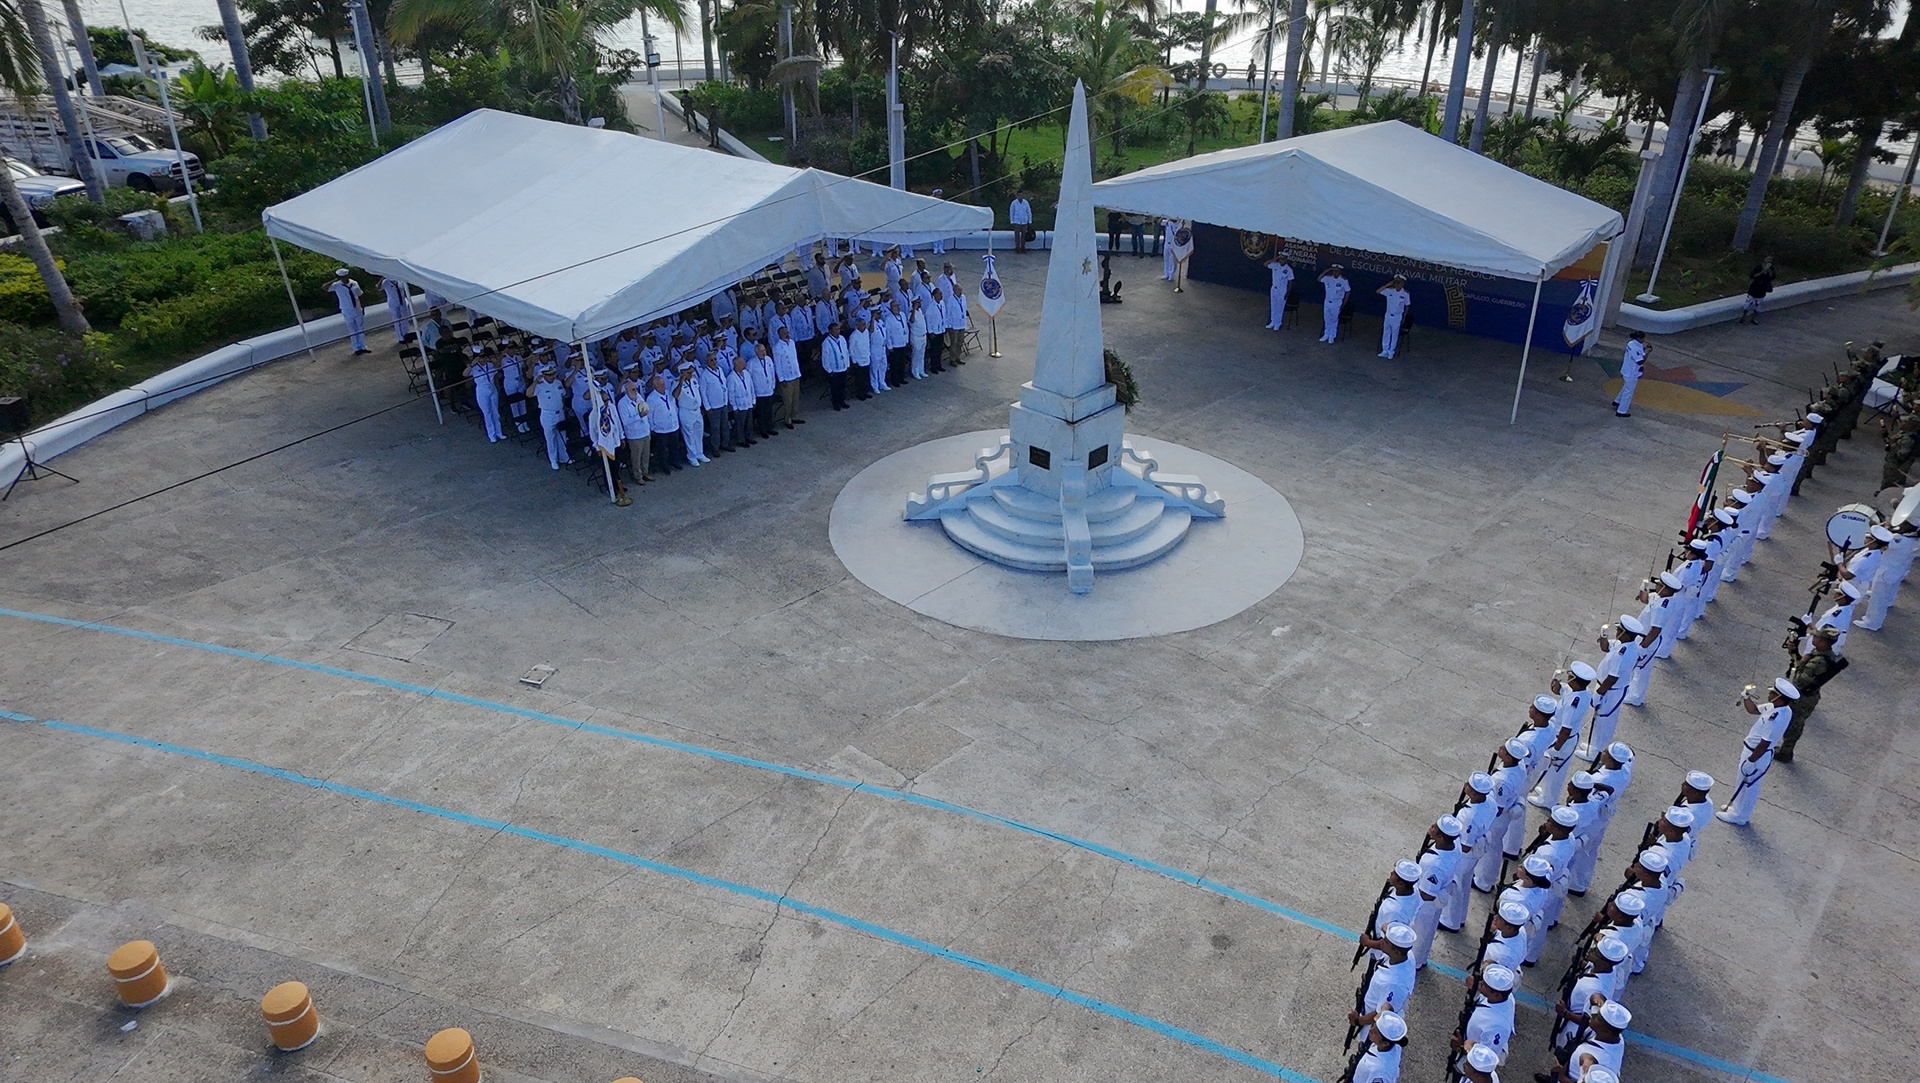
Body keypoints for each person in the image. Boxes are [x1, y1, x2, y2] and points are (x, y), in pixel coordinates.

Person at [1716, 679, 1797, 825]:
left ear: (1779, 697)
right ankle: (1736, 808)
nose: (1769, 693)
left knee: (1749, 786)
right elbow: (1753, 710)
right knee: (1742, 781)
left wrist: (1751, 761)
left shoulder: (1776, 718)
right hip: (1753, 751)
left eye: (1772, 692)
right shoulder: (1778, 707)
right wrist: (1747, 697)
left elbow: (1764, 744)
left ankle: (1740, 817)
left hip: (1757, 754)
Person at [1856, 519, 1916, 629]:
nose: (1901, 524)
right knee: (1891, 588)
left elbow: (1883, 541)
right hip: (1898, 569)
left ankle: (1872, 622)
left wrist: (1877, 527)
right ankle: (1889, 601)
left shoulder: (1901, 540)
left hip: (1887, 571)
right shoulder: (1914, 540)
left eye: (1904, 523)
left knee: (1877, 599)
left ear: (1909, 527)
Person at [1343, 1009, 1407, 1083]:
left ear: (1385, 1043)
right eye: (1374, 1025)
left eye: (1375, 1032)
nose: (1370, 1030)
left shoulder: (1380, 1073)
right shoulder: (1393, 1045)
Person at [531, 363, 571, 469]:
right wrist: (535, 382)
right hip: (548, 414)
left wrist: (562, 407)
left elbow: (562, 395)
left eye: (553, 374)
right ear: (544, 375)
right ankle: (553, 460)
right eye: (549, 375)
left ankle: (564, 457)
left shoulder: (558, 382)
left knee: (562, 435)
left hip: (560, 412)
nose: (552, 376)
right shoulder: (539, 385)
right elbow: (529, 394)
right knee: (550, 438)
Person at [465, 346, 504, 443]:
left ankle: (499, 432)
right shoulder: (474, 368)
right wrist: (471, 364)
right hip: (482, 390)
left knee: (495, 411)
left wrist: (498, 387)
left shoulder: (490, 365)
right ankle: (491, 434)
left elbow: (495, 375)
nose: (483, 359)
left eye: (484, 357)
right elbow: (465, 374)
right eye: (480, 357)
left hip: (492, 388)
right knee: (487, 413)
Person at [644, 372, 680, 474]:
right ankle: (665, 466)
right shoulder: (651, 398)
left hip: (673, 425)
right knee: (663, 450)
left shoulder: (669, 393)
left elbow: (674, 406)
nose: (664, 386)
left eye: (664, 384)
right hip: (661, 428)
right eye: (661, 385)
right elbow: (650, 415)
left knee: (674, 446)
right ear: (655, 386)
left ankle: (674, 462)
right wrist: (652, 428)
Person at [327, 269, 369, 355]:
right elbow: (324, 288)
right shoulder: (337, 285)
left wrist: (362, 307)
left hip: (357, 308)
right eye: (342, 277)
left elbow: (360, 295)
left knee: (360, 328)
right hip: (346, 310)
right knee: (352, 329)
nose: (344, 278)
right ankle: (356, 348)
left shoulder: (354, 283)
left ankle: (363, 346)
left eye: (345, 276)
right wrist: (334, 280)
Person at [617, 378, 651, 483]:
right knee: (636, 457)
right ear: (626, 391)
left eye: (636, 389)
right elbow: (626, 421)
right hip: (634, 435)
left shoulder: (639, 397)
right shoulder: (622, 404)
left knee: (646, 455)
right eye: (632, 389)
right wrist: (639, 416)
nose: (635, 391)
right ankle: (638, 476)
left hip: (645, 431)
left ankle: (645, 473)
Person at [674, 365, 708, 466]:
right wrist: (681, 381)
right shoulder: (675, 383)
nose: (691, 374)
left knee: (699, 432)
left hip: (696, 410)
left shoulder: (693, 380)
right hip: (686, 411)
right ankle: (692, 456)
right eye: (688, 373)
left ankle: (699, 453)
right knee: (689, 434)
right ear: (682, 373)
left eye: (691, 372)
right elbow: (675, 395)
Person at [772, 325, 805, 429]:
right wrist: (781, 379)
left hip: (795, 375)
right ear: (780, 334)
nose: (787, 334)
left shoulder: (792, 343)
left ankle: (794, 415)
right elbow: (777, 364)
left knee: (796, 397)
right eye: (785, 332)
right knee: (788, 400)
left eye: (788, 332)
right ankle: (787, 419)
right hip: (786, 378)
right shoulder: (777, 347)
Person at [749, 340, 779, 439]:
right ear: (756, 352)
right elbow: (749, 379)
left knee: (769, 410)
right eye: (761, 351)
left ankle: (770, 427)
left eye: (764, 350)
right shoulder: (751, 363)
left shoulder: (769, 360)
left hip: (769, 390)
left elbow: (772, 373)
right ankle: (762, 430)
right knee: (761, 412)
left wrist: (773, 386)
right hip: (759, 392)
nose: (764, 352)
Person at [1378, 276, 1412, 358]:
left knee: (1394, 334)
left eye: (1399, 283)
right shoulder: (1390, 291)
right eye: (1396, 282)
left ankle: (1391, 351)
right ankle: (1384, 350)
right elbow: (1378, 291)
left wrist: (1403, 318)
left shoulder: (1405, 294)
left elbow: (1407, 306)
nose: (1397, 284)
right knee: (1386, 332)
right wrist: (1387, 285)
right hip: (1388, 315)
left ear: (1402, 283)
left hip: (1397, 316)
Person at [1613, 332, 1646, 417]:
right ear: (1639, 338)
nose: (1644, 340)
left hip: (1626, 370)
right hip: (1632, 373)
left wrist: (1645, 349)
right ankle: (1622, 411)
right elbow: (1640, 361)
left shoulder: (1631, 343)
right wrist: (1648, 352)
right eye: (1643, 338)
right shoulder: (1636, 348)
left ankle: (1617, 401)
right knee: (1629, 392)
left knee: (1626, 387)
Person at [821, 320, 851, 410]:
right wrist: (829, 370)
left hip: (843, 367)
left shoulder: (842, 338)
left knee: (843, 386)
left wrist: (847, 364)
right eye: (835, 330)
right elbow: (825, 358)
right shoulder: (826, 343)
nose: (838, 331)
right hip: (834, 370)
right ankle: (836, 403)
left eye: (838, 329)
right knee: (835, 388)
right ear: (830, 331)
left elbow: (846, 352)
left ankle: (842, 401)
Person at [1319, 265, 1351, 343]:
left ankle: (1332, 336)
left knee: (1334, 319)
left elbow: (1348, 292)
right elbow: (1319, 279)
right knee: (1326, 318)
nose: (1335, 273)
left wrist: (1344, 303)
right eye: (1333, 271)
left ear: (1340, 272)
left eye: (1337, 271)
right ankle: (1326, 334)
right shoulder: (1328, 278)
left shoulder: (1343, 280)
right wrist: (1327, 270)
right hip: (1327, 301)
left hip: (1336, 303)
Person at [1738, 256, 1774, 324]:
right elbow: (1752, 276)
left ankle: (1753, 319)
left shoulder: (1771, 268)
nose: (1769, 261)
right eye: (1768, 259)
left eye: (1770, 260)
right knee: (1748, 303)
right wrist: (1761, 272)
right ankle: (1743, 318)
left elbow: (1773, 277)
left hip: (1762, 289)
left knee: (1758, 305)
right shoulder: (1758, 267)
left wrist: (1769, 272)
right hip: (1754, 288)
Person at [379, 276, 413, 343]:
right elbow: (378, 287)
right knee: (397, 321)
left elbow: (405, 290)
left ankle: (406, 335)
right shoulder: (386, 282)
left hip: (402, 302)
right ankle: (401, 338)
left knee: (405, 320)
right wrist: (382, 277)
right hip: (393, 303)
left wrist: (409, 301)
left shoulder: (400, 280)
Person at [1265, 256, 1294, 331]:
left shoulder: (1288, 269)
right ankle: (1272, 321)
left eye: (1283, 259)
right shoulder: (1275, 265)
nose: (1281, 260)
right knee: (1273, 305)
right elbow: (1265, 264)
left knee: (1280, 307)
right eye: (1280, 259)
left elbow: (1290, 282)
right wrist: (1274, 259)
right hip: (1274, 288)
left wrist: (1287, 292)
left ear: (1286, 260)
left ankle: (1278, 323)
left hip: (1282, 290)